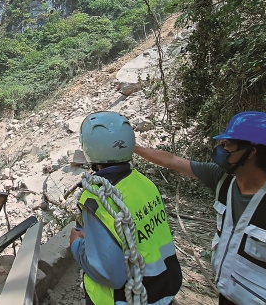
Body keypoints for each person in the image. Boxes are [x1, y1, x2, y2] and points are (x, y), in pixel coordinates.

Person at [134, 111, 266, 305]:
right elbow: (172, 161)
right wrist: (134, 148)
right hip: (226, 296)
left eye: (227, 145)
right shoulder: (222, 179)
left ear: (251, 152)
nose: (221, 149)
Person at [70, 111, 182, 305]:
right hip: (163, 290)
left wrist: (76, 245)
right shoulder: (143, 182)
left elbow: (111, 275)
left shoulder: (97, 200)